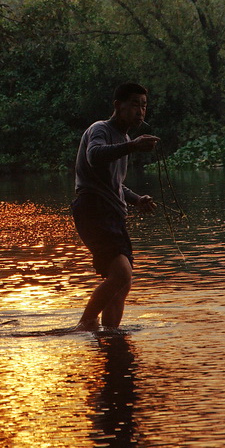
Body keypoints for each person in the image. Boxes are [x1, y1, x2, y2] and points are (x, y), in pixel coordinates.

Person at [71, 82, 159, 330]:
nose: (140, 111)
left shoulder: (124, 138)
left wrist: (137, 199)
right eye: (134, 105)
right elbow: (94, 155)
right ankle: (85, 324)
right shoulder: (100, 129)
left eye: (143, 106)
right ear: (117, 106)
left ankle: (110, 335)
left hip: (112, 213)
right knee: (121, 275)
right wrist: (133, 146)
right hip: (93, 209)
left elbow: (116, 185)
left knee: (123, 281)